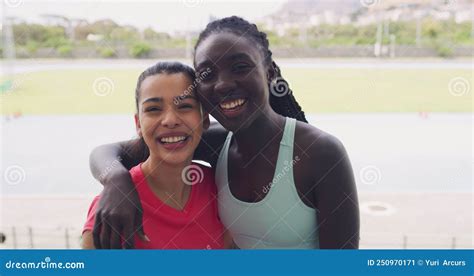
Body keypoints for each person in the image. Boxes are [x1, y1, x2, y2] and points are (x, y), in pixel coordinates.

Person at [90, 16, 359, 249]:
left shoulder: (320, 153)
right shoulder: (213, 142)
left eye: (240, 67)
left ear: (269, 72)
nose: (223, 84)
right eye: (207, 74)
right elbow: (108, 152)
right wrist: (116, 182)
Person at [82, 62, 232, 249]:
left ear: (204, 119)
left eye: (185, 106)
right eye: (153, 109)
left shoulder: (221, 189)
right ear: (138, 124)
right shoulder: (113, 210)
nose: (170, 120)